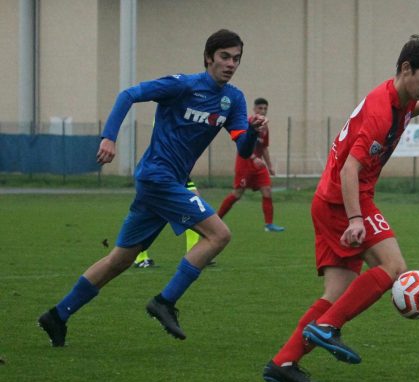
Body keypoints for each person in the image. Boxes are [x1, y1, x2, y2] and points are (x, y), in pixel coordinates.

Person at [262, 34, 419, 382]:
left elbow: (407, 111)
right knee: (394, 267)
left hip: (329, 200)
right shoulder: (378, 112)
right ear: (406, 69)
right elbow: (349, 170)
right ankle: (328, 326)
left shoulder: (396, 97)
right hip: (344, 200)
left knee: (337, 294)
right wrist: (357, 219)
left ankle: (283, 363)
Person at [37, 29, 264, 346]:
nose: (231, 64)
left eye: (236, 58)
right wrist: (109, 136)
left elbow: (242, 148)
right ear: (209, 57)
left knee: (120, 260)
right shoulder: (183, 85)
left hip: (164, 184)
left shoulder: (233, 99)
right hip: (158, 177)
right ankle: (165, 301)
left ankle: (57, 316)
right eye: (225, 56)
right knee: (219, 234)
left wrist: (252, 132)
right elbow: (128, 94)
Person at [217, 97, 284, 232]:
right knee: (237, 193)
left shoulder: (265, 127)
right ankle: (216, 219)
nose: (263, 111)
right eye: (260, 108)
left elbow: (264, 147)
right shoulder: (248, 123)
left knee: (267, 191)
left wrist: (269, 165)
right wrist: (253, 158)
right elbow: (242, 143)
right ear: (254, 109)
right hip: (245, 163)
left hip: (259, 166)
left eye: (265, 108)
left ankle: (269, 225)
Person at [132, 179, 215, 268]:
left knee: (194, 211)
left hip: (179, 175)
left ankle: (194, 253)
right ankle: (140, 258)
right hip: (161, 176)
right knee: (151, 215)